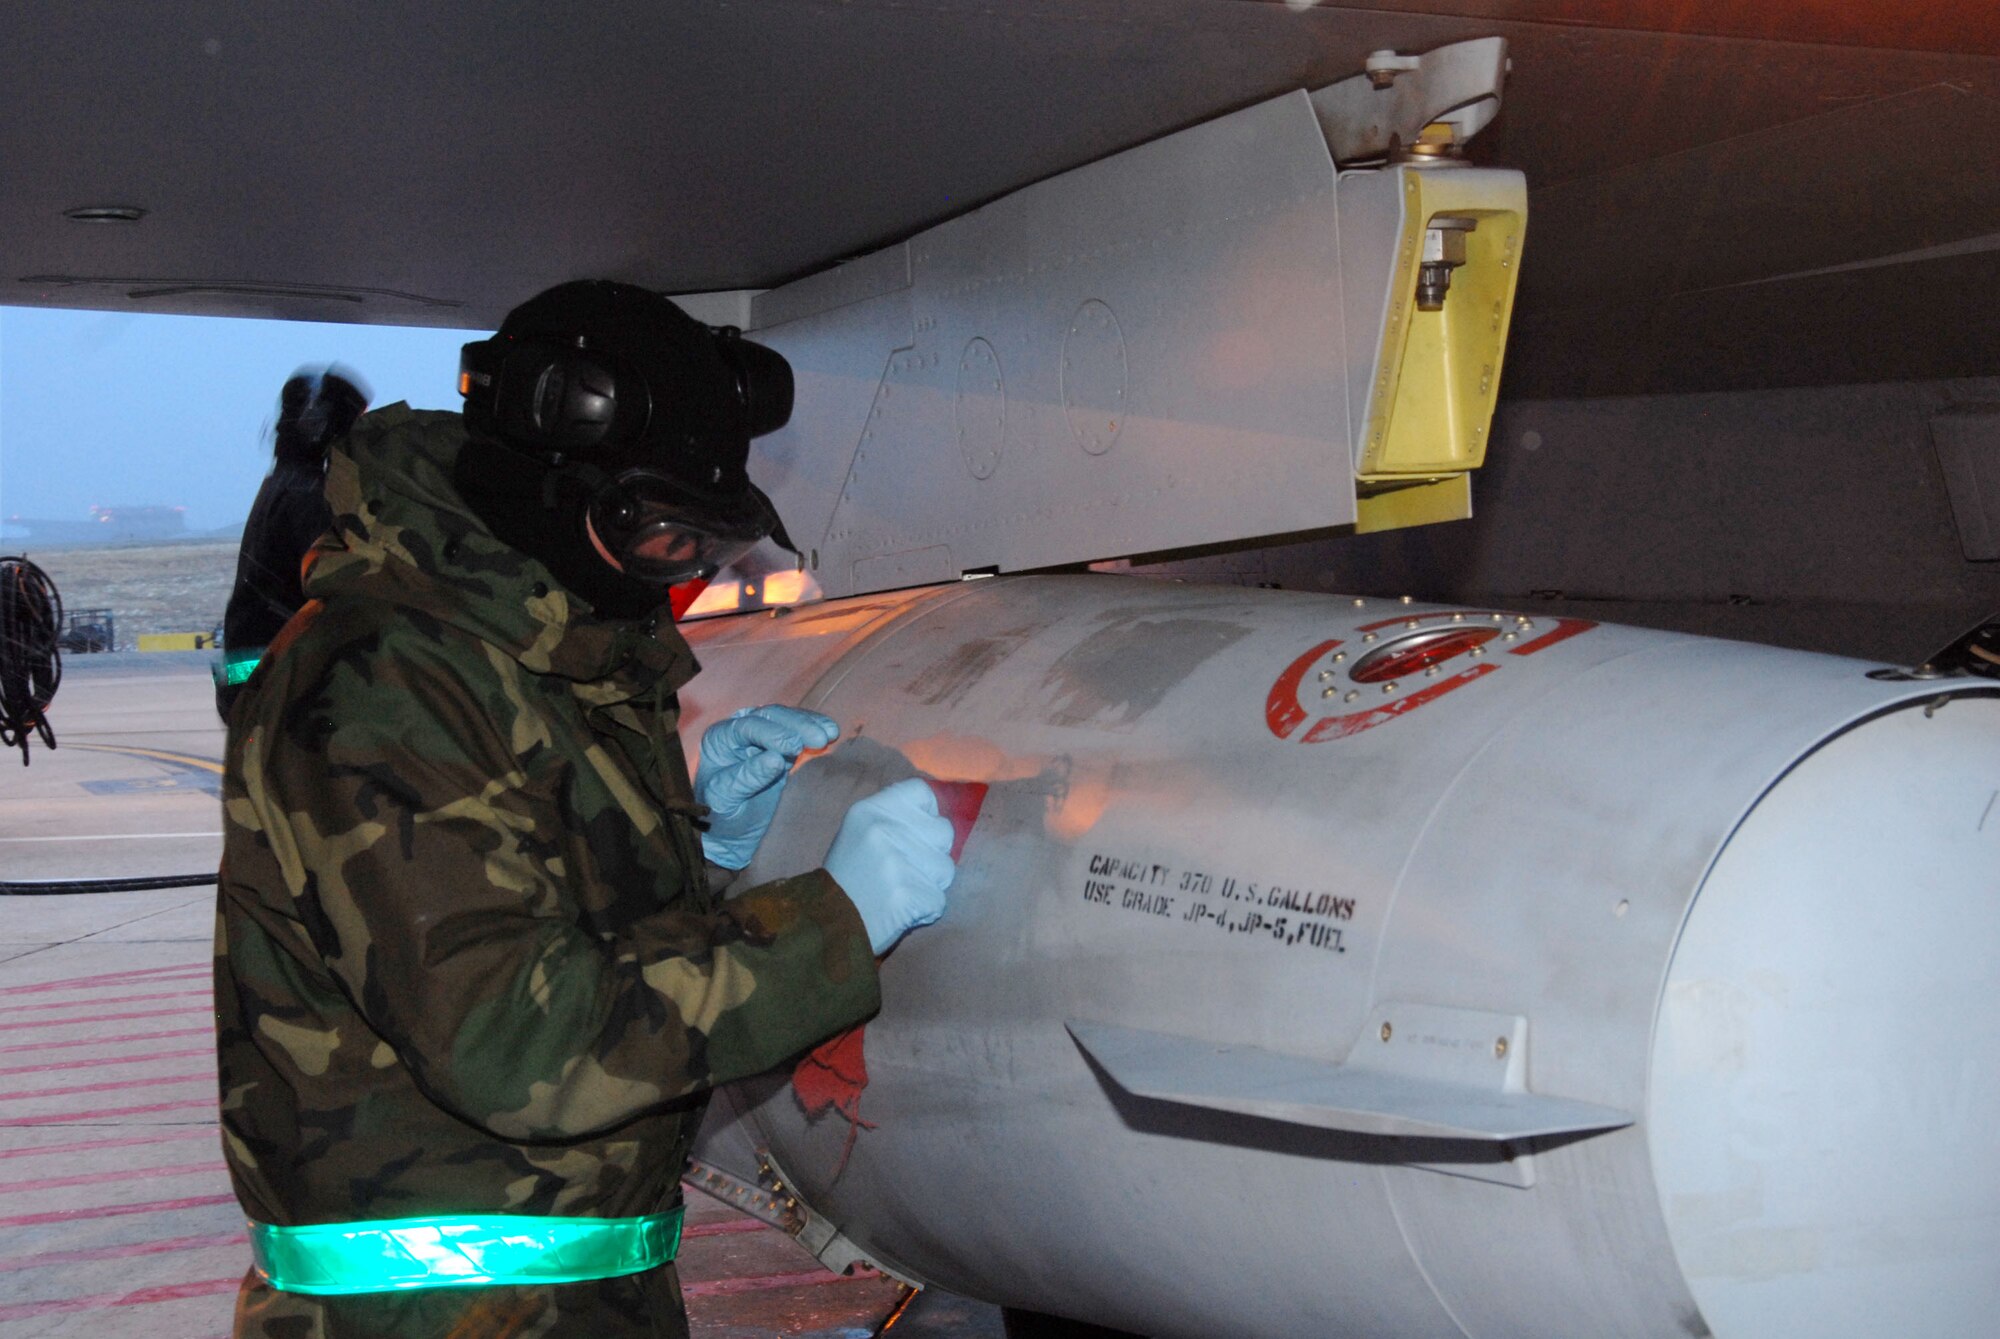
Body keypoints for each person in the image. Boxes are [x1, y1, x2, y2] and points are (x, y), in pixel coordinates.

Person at [214, 280, 957, 1338]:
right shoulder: (383, 688)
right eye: (662, 543)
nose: (678, 576)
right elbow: (517, 1041)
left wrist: (700, 854)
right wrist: (827, 929)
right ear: (547, 493)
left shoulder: (535, 652)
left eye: (705, 554)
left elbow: (534, 911)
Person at [215, 366, 370, 718]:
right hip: (276, 678)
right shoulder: (308, 495)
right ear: (322, 426)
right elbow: (340, 582)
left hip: (251, 671)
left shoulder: (280, 482)